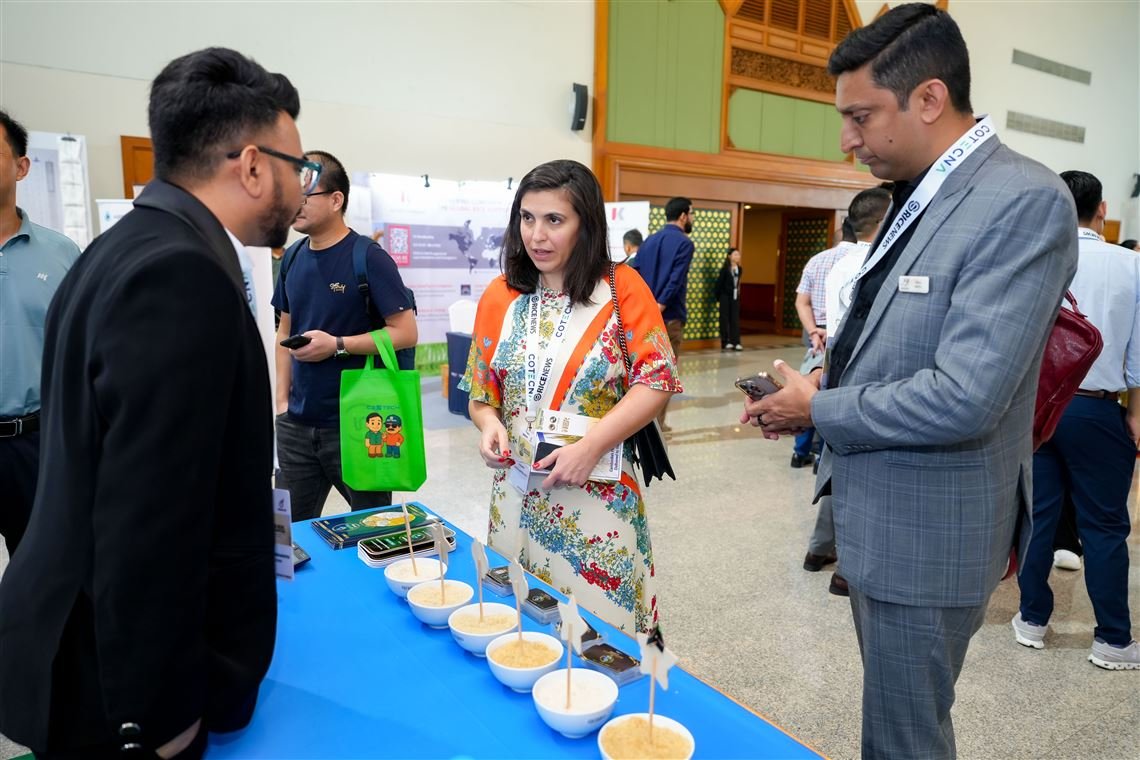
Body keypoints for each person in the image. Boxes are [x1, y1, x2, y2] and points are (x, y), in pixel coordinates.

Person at [745, 5, 1078, 756]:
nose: (847, 139)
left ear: (929, 98)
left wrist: (821, 408)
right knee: (896, 726)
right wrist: (816, 383)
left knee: (904, 740)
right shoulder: (921, 194)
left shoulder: (1020, 200)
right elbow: (894, 333)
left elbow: (966, 396)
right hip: (884, 520)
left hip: (929, 534)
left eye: (860, 116)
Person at [0, 47, 303, 758]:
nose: (301, 187)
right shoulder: (179, 274)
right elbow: (149, 522)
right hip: (118, 685)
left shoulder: (124, 247)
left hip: (88, 646)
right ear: (253, 166)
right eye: (298, 167)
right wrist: (155, 718)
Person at [461, 159, 680, 633]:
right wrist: (489, 424)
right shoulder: (501, 295)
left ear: (586, 224)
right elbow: (482, 392)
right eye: (527, 218)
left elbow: (656, 381)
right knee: (519, 628)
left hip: (596, 493)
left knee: (600, 638)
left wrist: (591, 447)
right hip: (516, 492)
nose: (536, 235)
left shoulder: (622, 289)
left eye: (554, 220)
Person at [1013, 170, 1140, 669]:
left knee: (1039, 516)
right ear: (1102, 209)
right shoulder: (1130, 264)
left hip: (1037, 407)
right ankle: (1113, 640)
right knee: (1104, 526)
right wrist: (1135, 412)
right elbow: (1138, 355)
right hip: (1097, 408)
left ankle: (1031, 619)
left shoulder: (1034, 257)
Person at [273, 150, 417, 521]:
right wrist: (282, 404)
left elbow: (405, 332)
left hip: (360, 423)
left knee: (371, 529)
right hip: (296, 426)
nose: (294, 204)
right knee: (287, 536)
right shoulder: (292, 258)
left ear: (336, 200)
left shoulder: (368, 258)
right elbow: (284, 331)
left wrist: (337, 346)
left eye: (305, 195)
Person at [802, 186, 891, 597]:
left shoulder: (840, 264)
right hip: (869, 374)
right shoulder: (881, 261)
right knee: (868, 472)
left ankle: (823, 549)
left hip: (838, 367)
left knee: (839, 461)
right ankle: (849, 568)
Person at [0, 109, 81, 556]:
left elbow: (85, 350)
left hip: (36, 444)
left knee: (42, 571)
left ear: (22, 166)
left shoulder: (62, 254)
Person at [628, 197, 694, 431]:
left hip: (643, 317)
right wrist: (660, 305)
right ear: (683, 216)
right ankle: (656, 427)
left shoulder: (649, 240)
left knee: (642, 370)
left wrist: (644, 307)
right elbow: (676, 278)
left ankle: (638, 423)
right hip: (669, 316)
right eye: (691, 214)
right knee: (664, 374)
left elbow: (635, 273)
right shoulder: (684, 243)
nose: (692, 218)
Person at [714, 247, 743, 350]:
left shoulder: (739, 269)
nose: (738, 256)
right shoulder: (725, 269)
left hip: (735, 297)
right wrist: (719, 298)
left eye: (738, 254)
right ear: (729, 256)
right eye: (735, 254)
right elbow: (719, 284)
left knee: (735, 319)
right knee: (724, 319)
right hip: (725, 296)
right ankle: (725, 341)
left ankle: (736, 342)